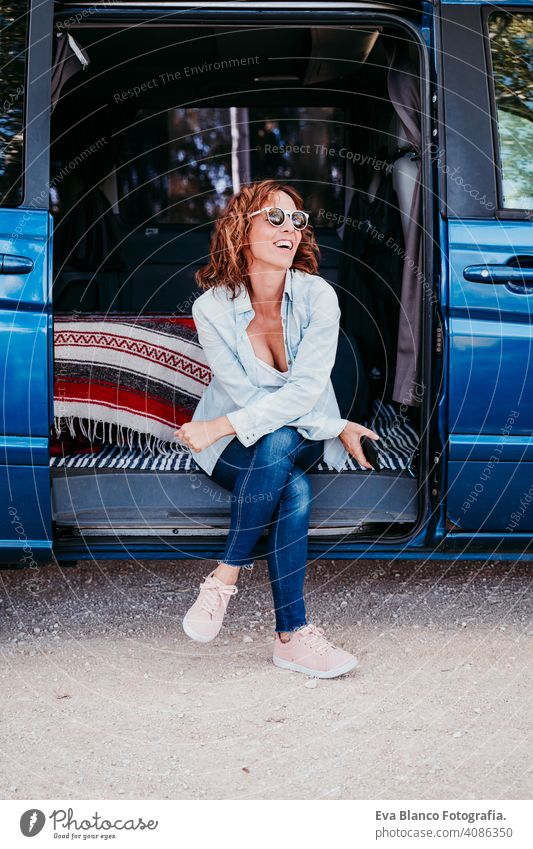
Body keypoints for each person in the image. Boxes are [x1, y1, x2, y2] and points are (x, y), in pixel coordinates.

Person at [175, 179, 379, 679]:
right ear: (239, 230)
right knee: (295, 492)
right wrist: (334, 422)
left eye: (297, 220)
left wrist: (220, 423)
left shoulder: (318, 297)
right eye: (274, 217)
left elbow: (304, 394)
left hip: (290, 433)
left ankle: (224, 577)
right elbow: (249, 399)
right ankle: (291, 637)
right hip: (229, 449)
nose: (290, 227)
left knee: (283, 437)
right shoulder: (212, 308)